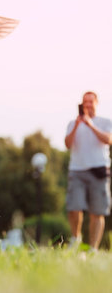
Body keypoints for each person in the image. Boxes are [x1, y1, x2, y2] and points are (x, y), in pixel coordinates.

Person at [64, 91, 112, 250]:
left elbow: (108, 140)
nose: (88, 105)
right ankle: (75, 238)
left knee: (97, 212)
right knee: (74, 207)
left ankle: (93, 248)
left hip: (99, 170)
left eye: (91, 102)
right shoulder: (73, 123)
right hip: (77, 170)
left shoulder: (105, 122)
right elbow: (68, 144)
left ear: (96, 103)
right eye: (85, 102)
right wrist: (78, 124)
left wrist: (90, 124)